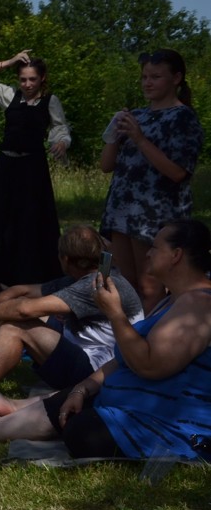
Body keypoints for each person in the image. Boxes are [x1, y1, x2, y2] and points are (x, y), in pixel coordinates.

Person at [0, 220, 211, 461]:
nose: (147, 253)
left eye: (155, 247)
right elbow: (123, 360)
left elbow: (150, 366)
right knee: (72, 404)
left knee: (81, 429)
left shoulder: (198, 306)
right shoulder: (173, 301)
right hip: (127, 401)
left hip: (158, 421)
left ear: (176, 255)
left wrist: (114, 313)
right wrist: (83, 388)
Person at [0, 225, 143, 420]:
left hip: (98, 375)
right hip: (93, 362)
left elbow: (24, 309)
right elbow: (20, 292)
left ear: (64, 259)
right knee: (11, 316)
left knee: (15, 326)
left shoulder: (93, 285)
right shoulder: (85, 278)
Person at [100, 49, 204, 313]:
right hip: (121, 210)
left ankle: (153, 335)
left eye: (156, 77)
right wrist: (113, 134)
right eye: (144, 77)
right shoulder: (137, 115)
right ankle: (127, 335)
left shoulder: (183, 118)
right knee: (122, 284)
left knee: (149, 288)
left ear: (176, 78)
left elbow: (178, 172)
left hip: (155, 215)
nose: (147, 82)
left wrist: (139, 138)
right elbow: (106, 166)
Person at [0, 50, 72, 290]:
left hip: (33, 169)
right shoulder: (9, 95)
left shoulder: (50, 101)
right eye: (23, 79)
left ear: (42, 78)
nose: (27, 84)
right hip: (6, 167)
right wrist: (9, 62)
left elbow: (60, 128)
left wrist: (61, 143)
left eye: (32, 79)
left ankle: (32, 276)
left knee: (32, 220)